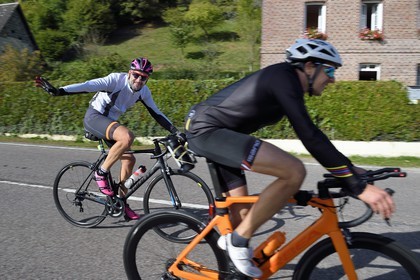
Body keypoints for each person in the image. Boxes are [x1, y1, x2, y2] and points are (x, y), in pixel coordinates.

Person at [184, 39, 395, 278]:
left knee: (243, 215)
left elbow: (313, 134)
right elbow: (310, 136)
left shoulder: (288, 83)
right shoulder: (283, 78)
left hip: (219, 133)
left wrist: (350, 170)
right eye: (330, 70)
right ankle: (236, 243)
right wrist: (357, 187)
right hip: (209, 132)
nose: (333, 78)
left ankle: (232, 262)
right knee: (293, 171)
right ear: (308, 66)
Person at [36, 57, 181, 220]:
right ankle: (101, 172)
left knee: (129, 160)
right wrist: (60, 91)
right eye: (136, 75)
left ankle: (121, 202)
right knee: (127, 137)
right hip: (95, 117)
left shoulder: (144, 92)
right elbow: (88, 85)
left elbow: (157, 113)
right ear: (129, 73)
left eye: (144, 77)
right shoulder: (115, 80)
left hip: (110, 123)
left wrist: (175, 131)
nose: (139, 80)